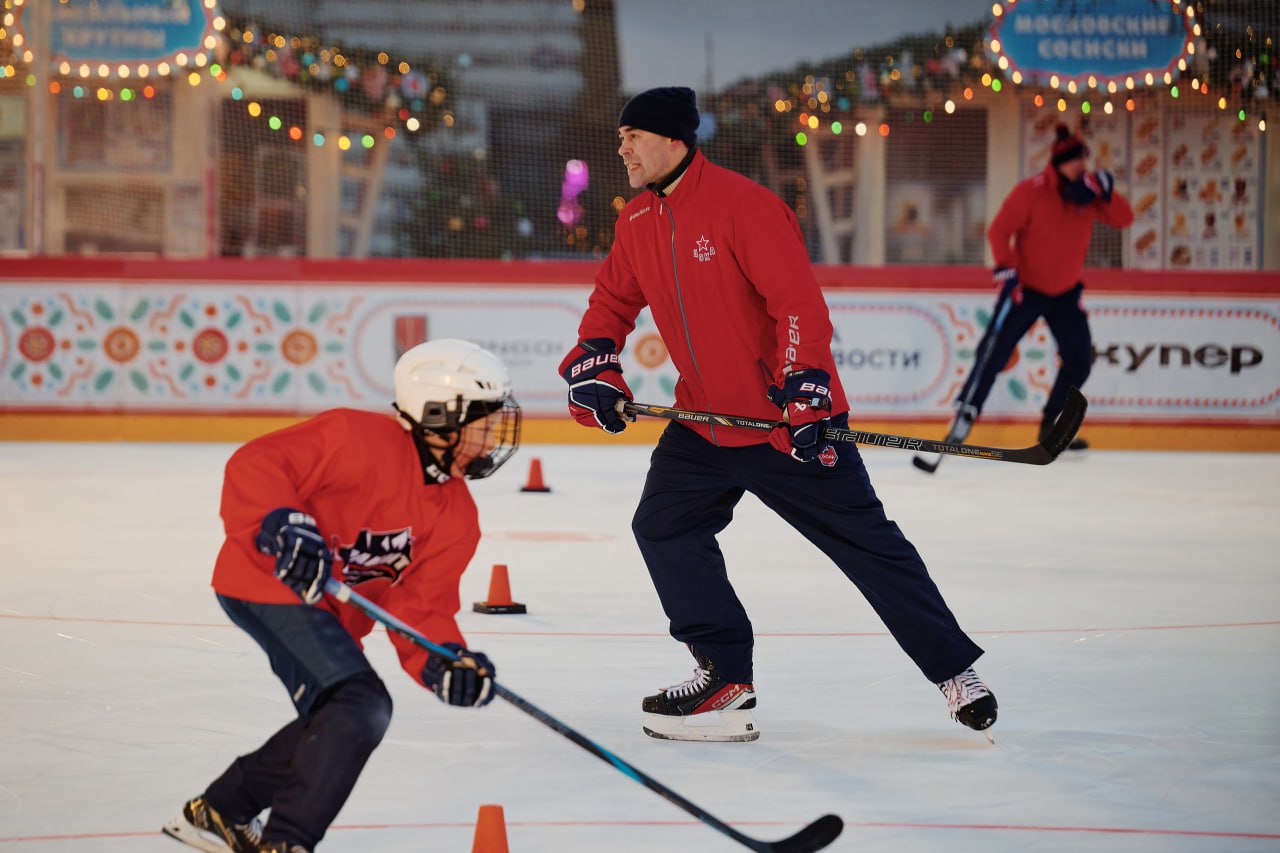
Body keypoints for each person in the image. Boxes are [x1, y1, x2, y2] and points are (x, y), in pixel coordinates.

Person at [558, 86, 995, 743]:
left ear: (674, 139)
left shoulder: (746, 207)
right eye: (620, 138)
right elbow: (612, 302)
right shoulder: (638, 220)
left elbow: (797, 305)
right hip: (703, 423)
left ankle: (957, 672)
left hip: (782, 423)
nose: (622, 149)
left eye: (633, 136)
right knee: (663, 525)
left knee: (868, 546)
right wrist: (595, 362)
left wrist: (805, 390)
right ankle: (724, 675)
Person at [163, 339, 521, 853]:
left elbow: (421, 608)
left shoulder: (457, 516)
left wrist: (445, 661)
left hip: (326, 611)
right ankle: (287, 842)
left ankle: (220, 810)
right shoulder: (355, 438)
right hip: (267, 581)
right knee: (359, 704)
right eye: (484, 424)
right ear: (439, 417)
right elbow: (257, 464)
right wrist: (283, 522)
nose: (494, 438)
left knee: (342, 714)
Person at [952, 123, 1134, 453]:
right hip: (1026, 290)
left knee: (1079, 360)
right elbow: (998, 230)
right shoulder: (1032, 191)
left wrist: (1107, 193)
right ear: (1058, 163)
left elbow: (1124, 219)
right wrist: (1006, 266)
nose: (1081, 166)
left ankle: (1051, 425)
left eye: (1083, 160)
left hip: (1065, 293)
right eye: (1074, 160)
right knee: (994, 352)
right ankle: (966, 412)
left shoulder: (1088, 194)